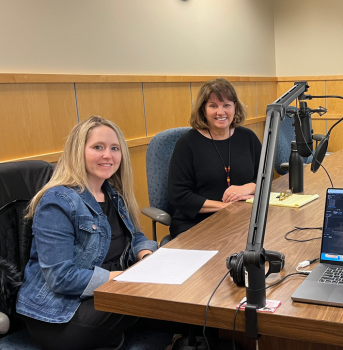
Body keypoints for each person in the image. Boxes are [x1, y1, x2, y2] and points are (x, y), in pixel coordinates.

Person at [16, 116, 158, 350]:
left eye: (114, 148)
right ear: (78, 152)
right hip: (59, 314)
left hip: (104, 293)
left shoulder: (112, 194)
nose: (108, 155)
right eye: (97, 147)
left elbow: (135, 237)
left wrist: (145, 256)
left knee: (169, 297)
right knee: (156, 303)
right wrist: (125, 278)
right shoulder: (57, 202)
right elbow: (61, 277)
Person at [168, 78, 261, 238]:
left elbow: (265, 177)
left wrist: (247, 188)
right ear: (203, 110)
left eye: (226, 105)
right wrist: (225, 207)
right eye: (213, 106)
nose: (221, 112)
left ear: (235, 107)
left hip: (243, 219)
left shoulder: (248, 137)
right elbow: (179, 195)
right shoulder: (187, 144)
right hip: (197, 224)